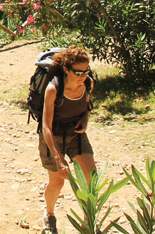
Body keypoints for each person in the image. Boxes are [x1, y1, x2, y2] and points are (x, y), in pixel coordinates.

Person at [39, 46, 95, 234]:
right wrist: (58, 158)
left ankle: (87, 224)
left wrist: (84, 120)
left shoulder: (88, 83)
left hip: (76, 134)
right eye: (78, 72)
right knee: (57, 182)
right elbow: (45, 126)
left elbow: (87, 107)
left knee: (91, 178)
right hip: (52, 137)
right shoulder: (53, 89)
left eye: (85, 71)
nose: (82, 76)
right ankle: (49, 215)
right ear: (66, 69)